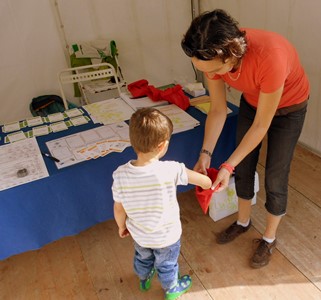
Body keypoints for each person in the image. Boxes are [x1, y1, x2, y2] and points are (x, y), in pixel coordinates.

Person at [181, 9, 309, 268]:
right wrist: (205, 154)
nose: (212, 75)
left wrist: (227, 165)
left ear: (230, 56)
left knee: (275, 173)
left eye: (214, 71)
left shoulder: (270, 56)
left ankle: (269, 238)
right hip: (253, 102)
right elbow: (217, 110)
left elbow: (263, 124)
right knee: (243, 166)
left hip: (290, 108)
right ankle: (242, 221)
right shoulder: (212, 57)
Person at [112, 107, 212, 299]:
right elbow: (204, 182)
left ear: (132, 141)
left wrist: (121, 226)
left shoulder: (119, 174)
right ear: (162, 146)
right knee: (167, 264)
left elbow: (118, 207)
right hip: (167, 236)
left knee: (143, 257)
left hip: (139, 234)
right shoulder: (171, 169)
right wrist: (209, 182)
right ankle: (171, 288)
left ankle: (143, 278)